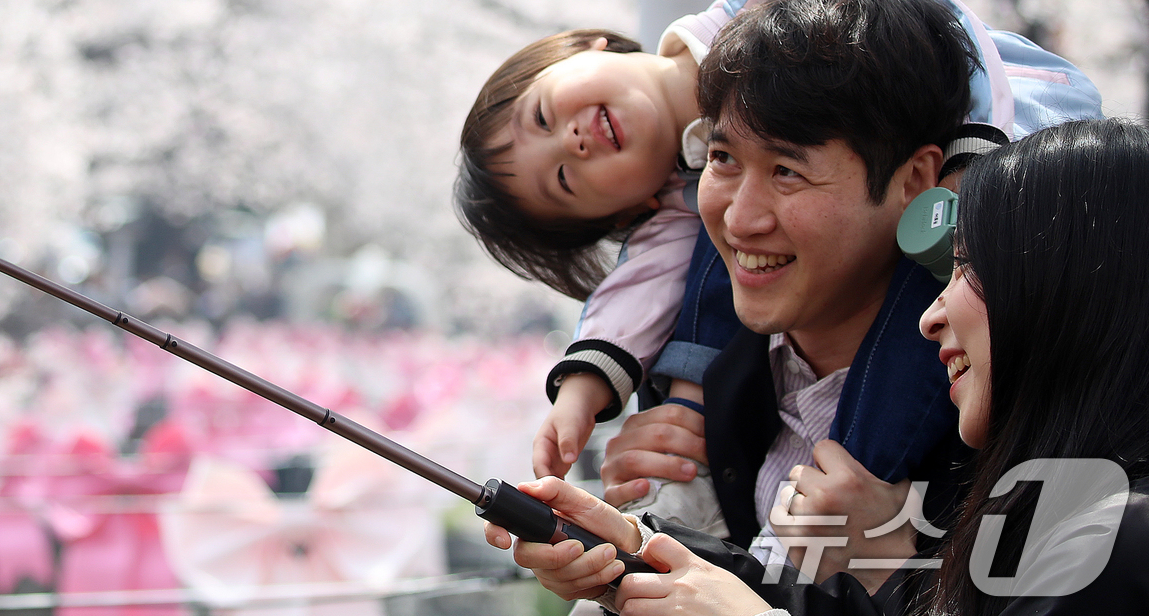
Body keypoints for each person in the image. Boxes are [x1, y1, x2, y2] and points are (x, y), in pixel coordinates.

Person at [455, 0, 1101, 542]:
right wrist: (625, 411)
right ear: (635, 210)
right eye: (722, 159)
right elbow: (634, 293)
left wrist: (975, 163)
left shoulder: (770, 9)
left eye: (787, 170)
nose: (572, 142)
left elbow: (934, 16)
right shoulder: (702, 259)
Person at [488, 117, 1149, 615]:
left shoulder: (1119, 539)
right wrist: (637, 550)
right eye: (720, 159)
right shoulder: (1055, 502)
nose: (927, 314)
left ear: (1069, 291)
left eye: (972, 266)